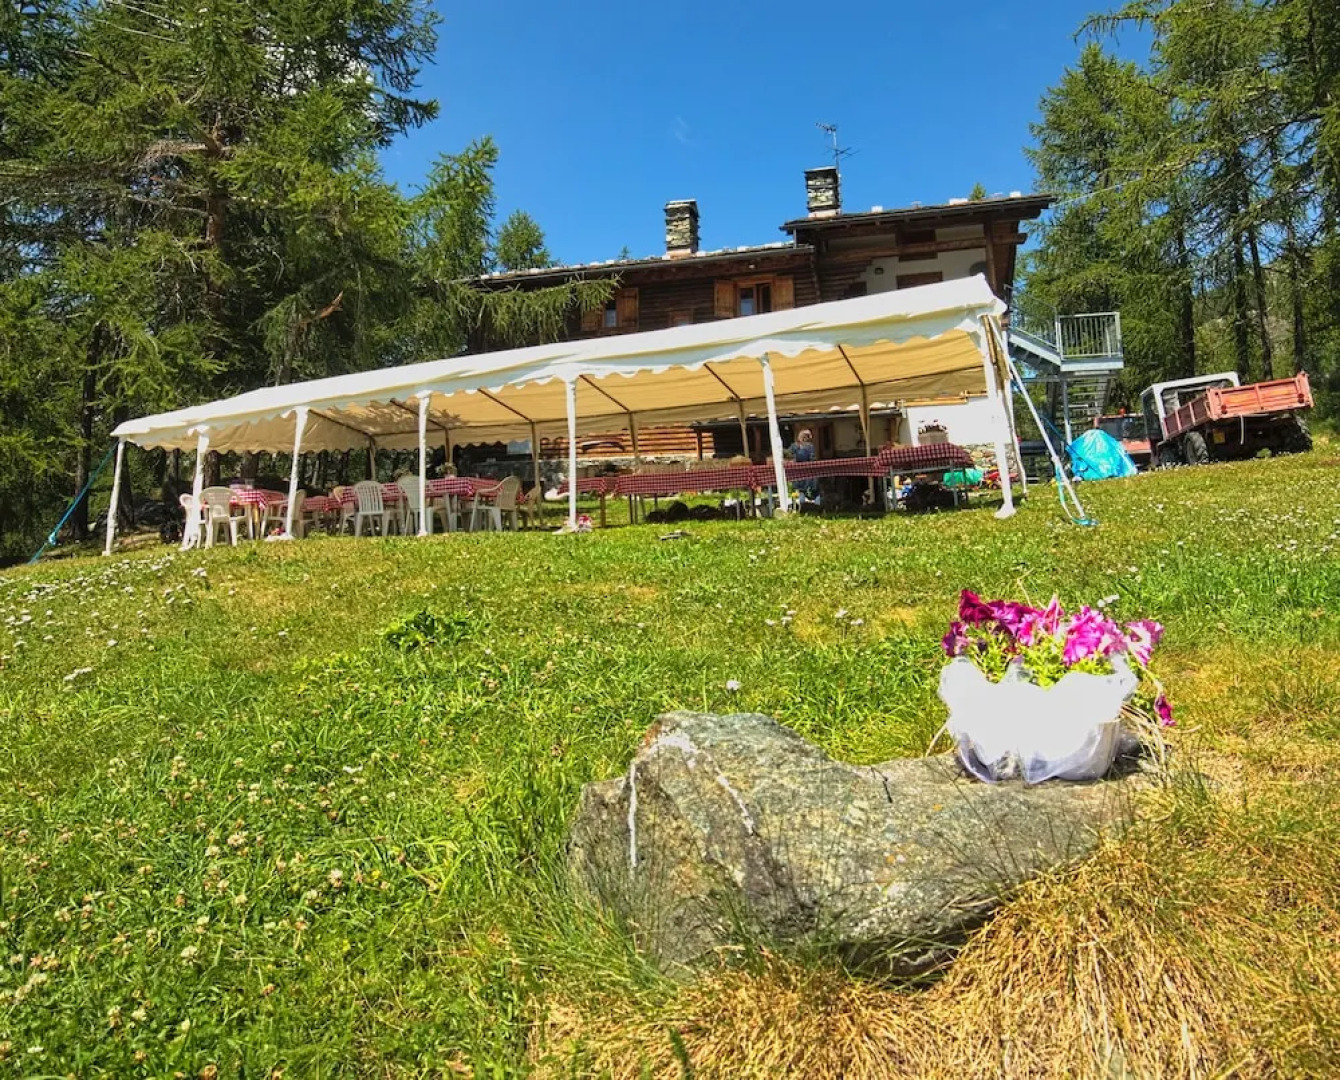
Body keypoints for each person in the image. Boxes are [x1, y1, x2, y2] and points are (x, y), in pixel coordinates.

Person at [789, 429, 818, 502]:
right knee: (800, 490)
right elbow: (789, 455)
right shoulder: (794, 446)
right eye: (803, 436)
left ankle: (810, 504)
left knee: (808, 489)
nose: (804, 438)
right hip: (797, 471)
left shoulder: (810, 447)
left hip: (807, 471)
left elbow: (812, 458)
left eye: (806, 437)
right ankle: (801, 505)